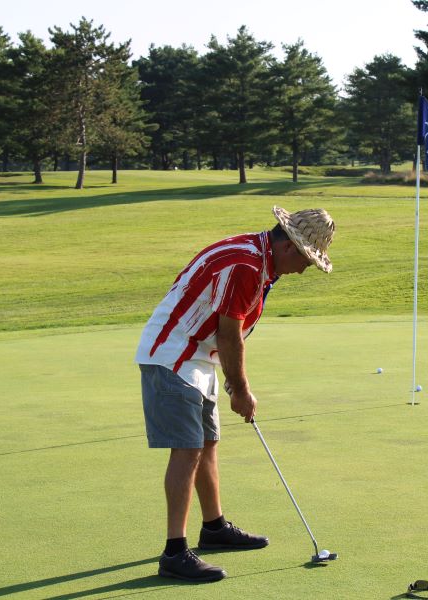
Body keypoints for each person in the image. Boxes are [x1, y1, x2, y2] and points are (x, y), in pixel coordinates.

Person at [135, 206, 335, 582]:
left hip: (199, 356)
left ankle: (213, 528)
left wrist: (231, 374)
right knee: (187, 448)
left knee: (207, 443)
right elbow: (229, 334)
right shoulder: (246, 264)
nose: (304, 270)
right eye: (306, 261)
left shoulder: (259, 259)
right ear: (289, 247)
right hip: (172, 355)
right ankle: (174, 553)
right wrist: (241, 389)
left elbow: (227, 331)